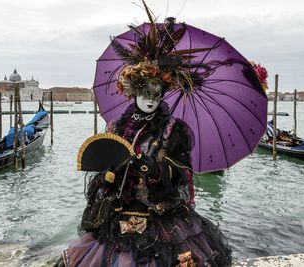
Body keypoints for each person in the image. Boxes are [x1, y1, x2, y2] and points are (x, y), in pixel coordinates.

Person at [56, 9, 232, 267]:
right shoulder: (116, 126)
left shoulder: (174, 129)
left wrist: (153, 168)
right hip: (118, 215)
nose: (151, 98)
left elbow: (182, 175)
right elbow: (103, 170)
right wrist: (110, 174)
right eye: (145, 91)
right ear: (133, 90)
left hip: (160, 215)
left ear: (163, 93)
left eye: (157, 92)